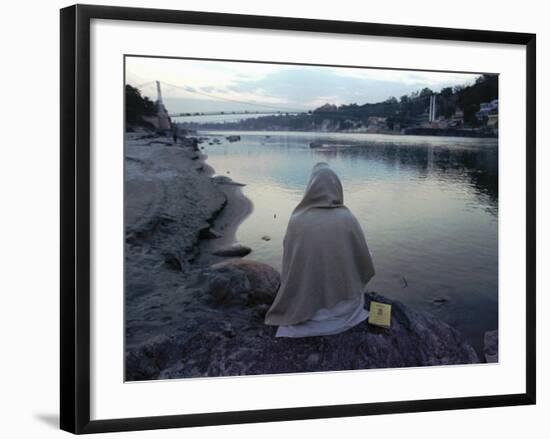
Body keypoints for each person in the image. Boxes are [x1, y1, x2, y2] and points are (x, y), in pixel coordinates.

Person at [264, 162, 375, 337]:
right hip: (345, 309)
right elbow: (364, 261)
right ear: (337, 187)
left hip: (307, 313)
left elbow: (289, 264)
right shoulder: (347, 218)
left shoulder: (297, 220)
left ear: (311, 188)